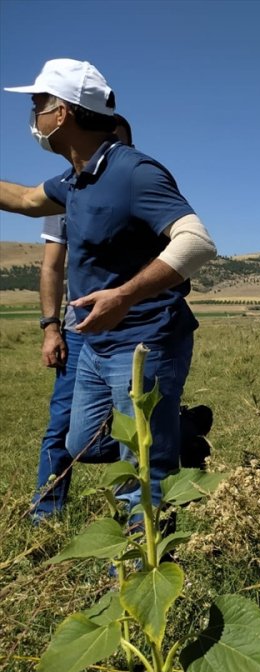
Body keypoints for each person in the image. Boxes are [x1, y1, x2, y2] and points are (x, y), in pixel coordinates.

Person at [2, 59, 217, 517]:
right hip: (96, 345)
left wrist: (124, 296)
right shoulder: (76, 180)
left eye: (39, 104)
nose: (34, 116)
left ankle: (143, 550)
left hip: (144, 341)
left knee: (144, 470)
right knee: (81, 442)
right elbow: (23, 199)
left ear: (63, 113)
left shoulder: (133, 172)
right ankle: (176, 430)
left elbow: (197, 242)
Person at [31, 114, 133, 520]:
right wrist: (51, 327)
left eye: (119, 144)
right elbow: (51, 266)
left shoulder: (135, 187)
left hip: (132, 333)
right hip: (79, 332)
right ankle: (46, 511)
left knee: (134, 426)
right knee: (64, 427)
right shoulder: (65, 193)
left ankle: (136, 524)